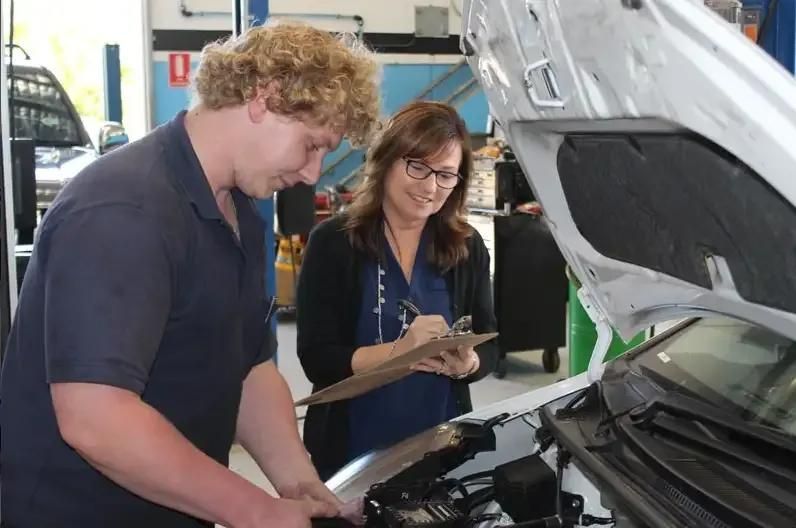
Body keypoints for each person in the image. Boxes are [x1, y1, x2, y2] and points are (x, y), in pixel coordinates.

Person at [0, 21, 380, 528]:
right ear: (263, 98)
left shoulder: (238, 209)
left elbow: (250, 366)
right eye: (312, 145)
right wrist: (254, 511)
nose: (313, 173)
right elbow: (96, 417)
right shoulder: (125, 211)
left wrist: (298, 484)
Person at [296, 101, 499, 480]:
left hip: (440, 448)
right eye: (417, 166)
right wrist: (400, 353)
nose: (430, 186)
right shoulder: (334, 243)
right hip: (351, 451)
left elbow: (489, 344)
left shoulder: (467, 248)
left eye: (445, 175)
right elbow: (317, 357)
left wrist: (467, 363)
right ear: (386, 160)